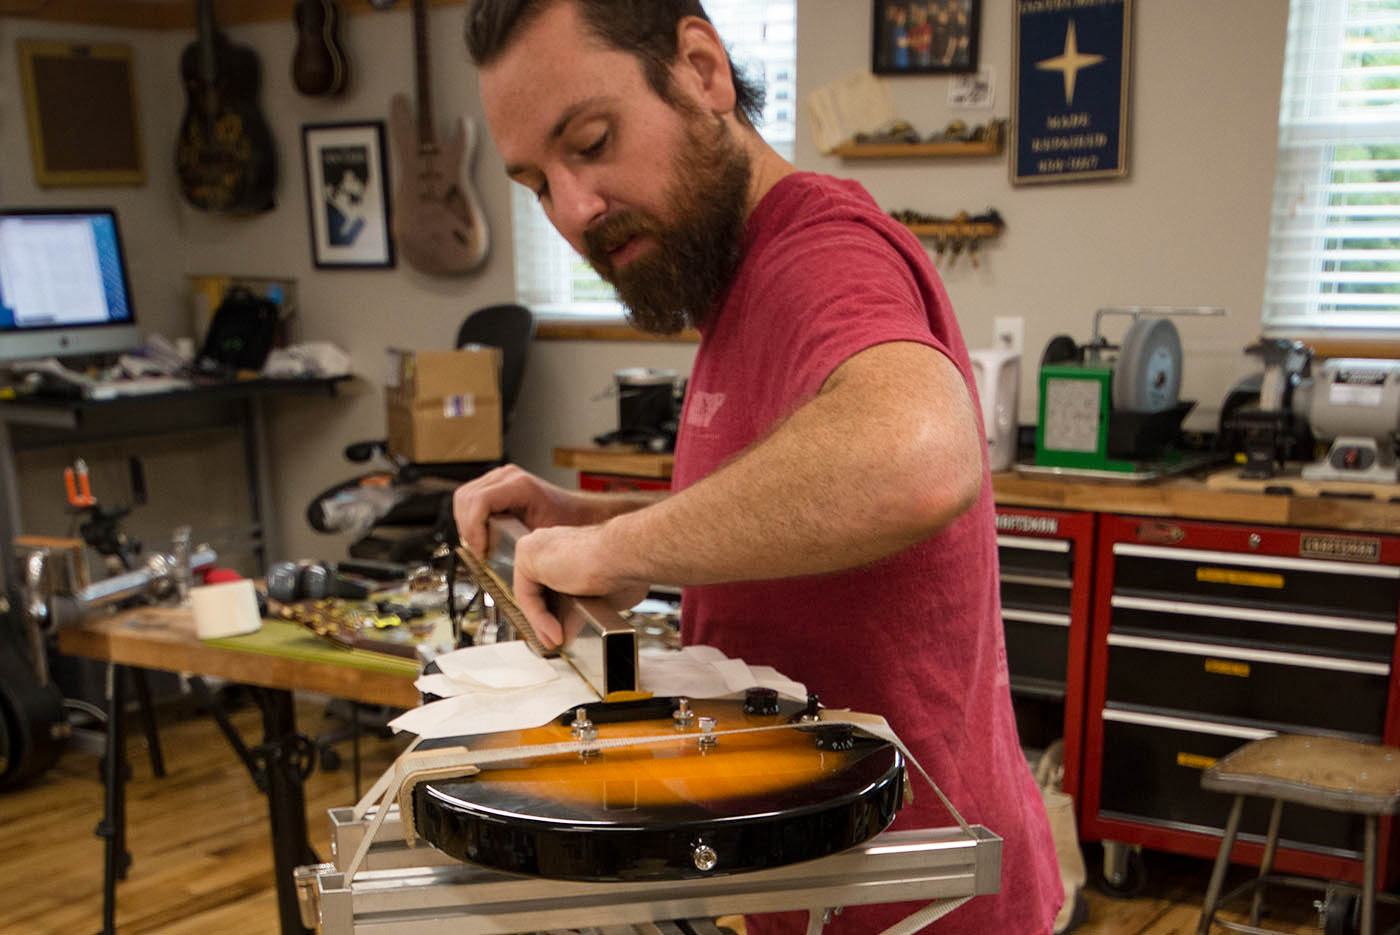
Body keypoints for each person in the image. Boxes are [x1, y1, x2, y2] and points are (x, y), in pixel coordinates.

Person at [453, 2, 1064, 933]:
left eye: (592, 141)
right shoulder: (735, 280)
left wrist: (621, 549)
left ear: (702, 69)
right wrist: (591, 518)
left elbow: (916, 457)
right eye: (536, 182)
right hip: (815, 873)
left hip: (918, 896)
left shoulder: (817, 255)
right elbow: (773, 504)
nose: (572, 211)